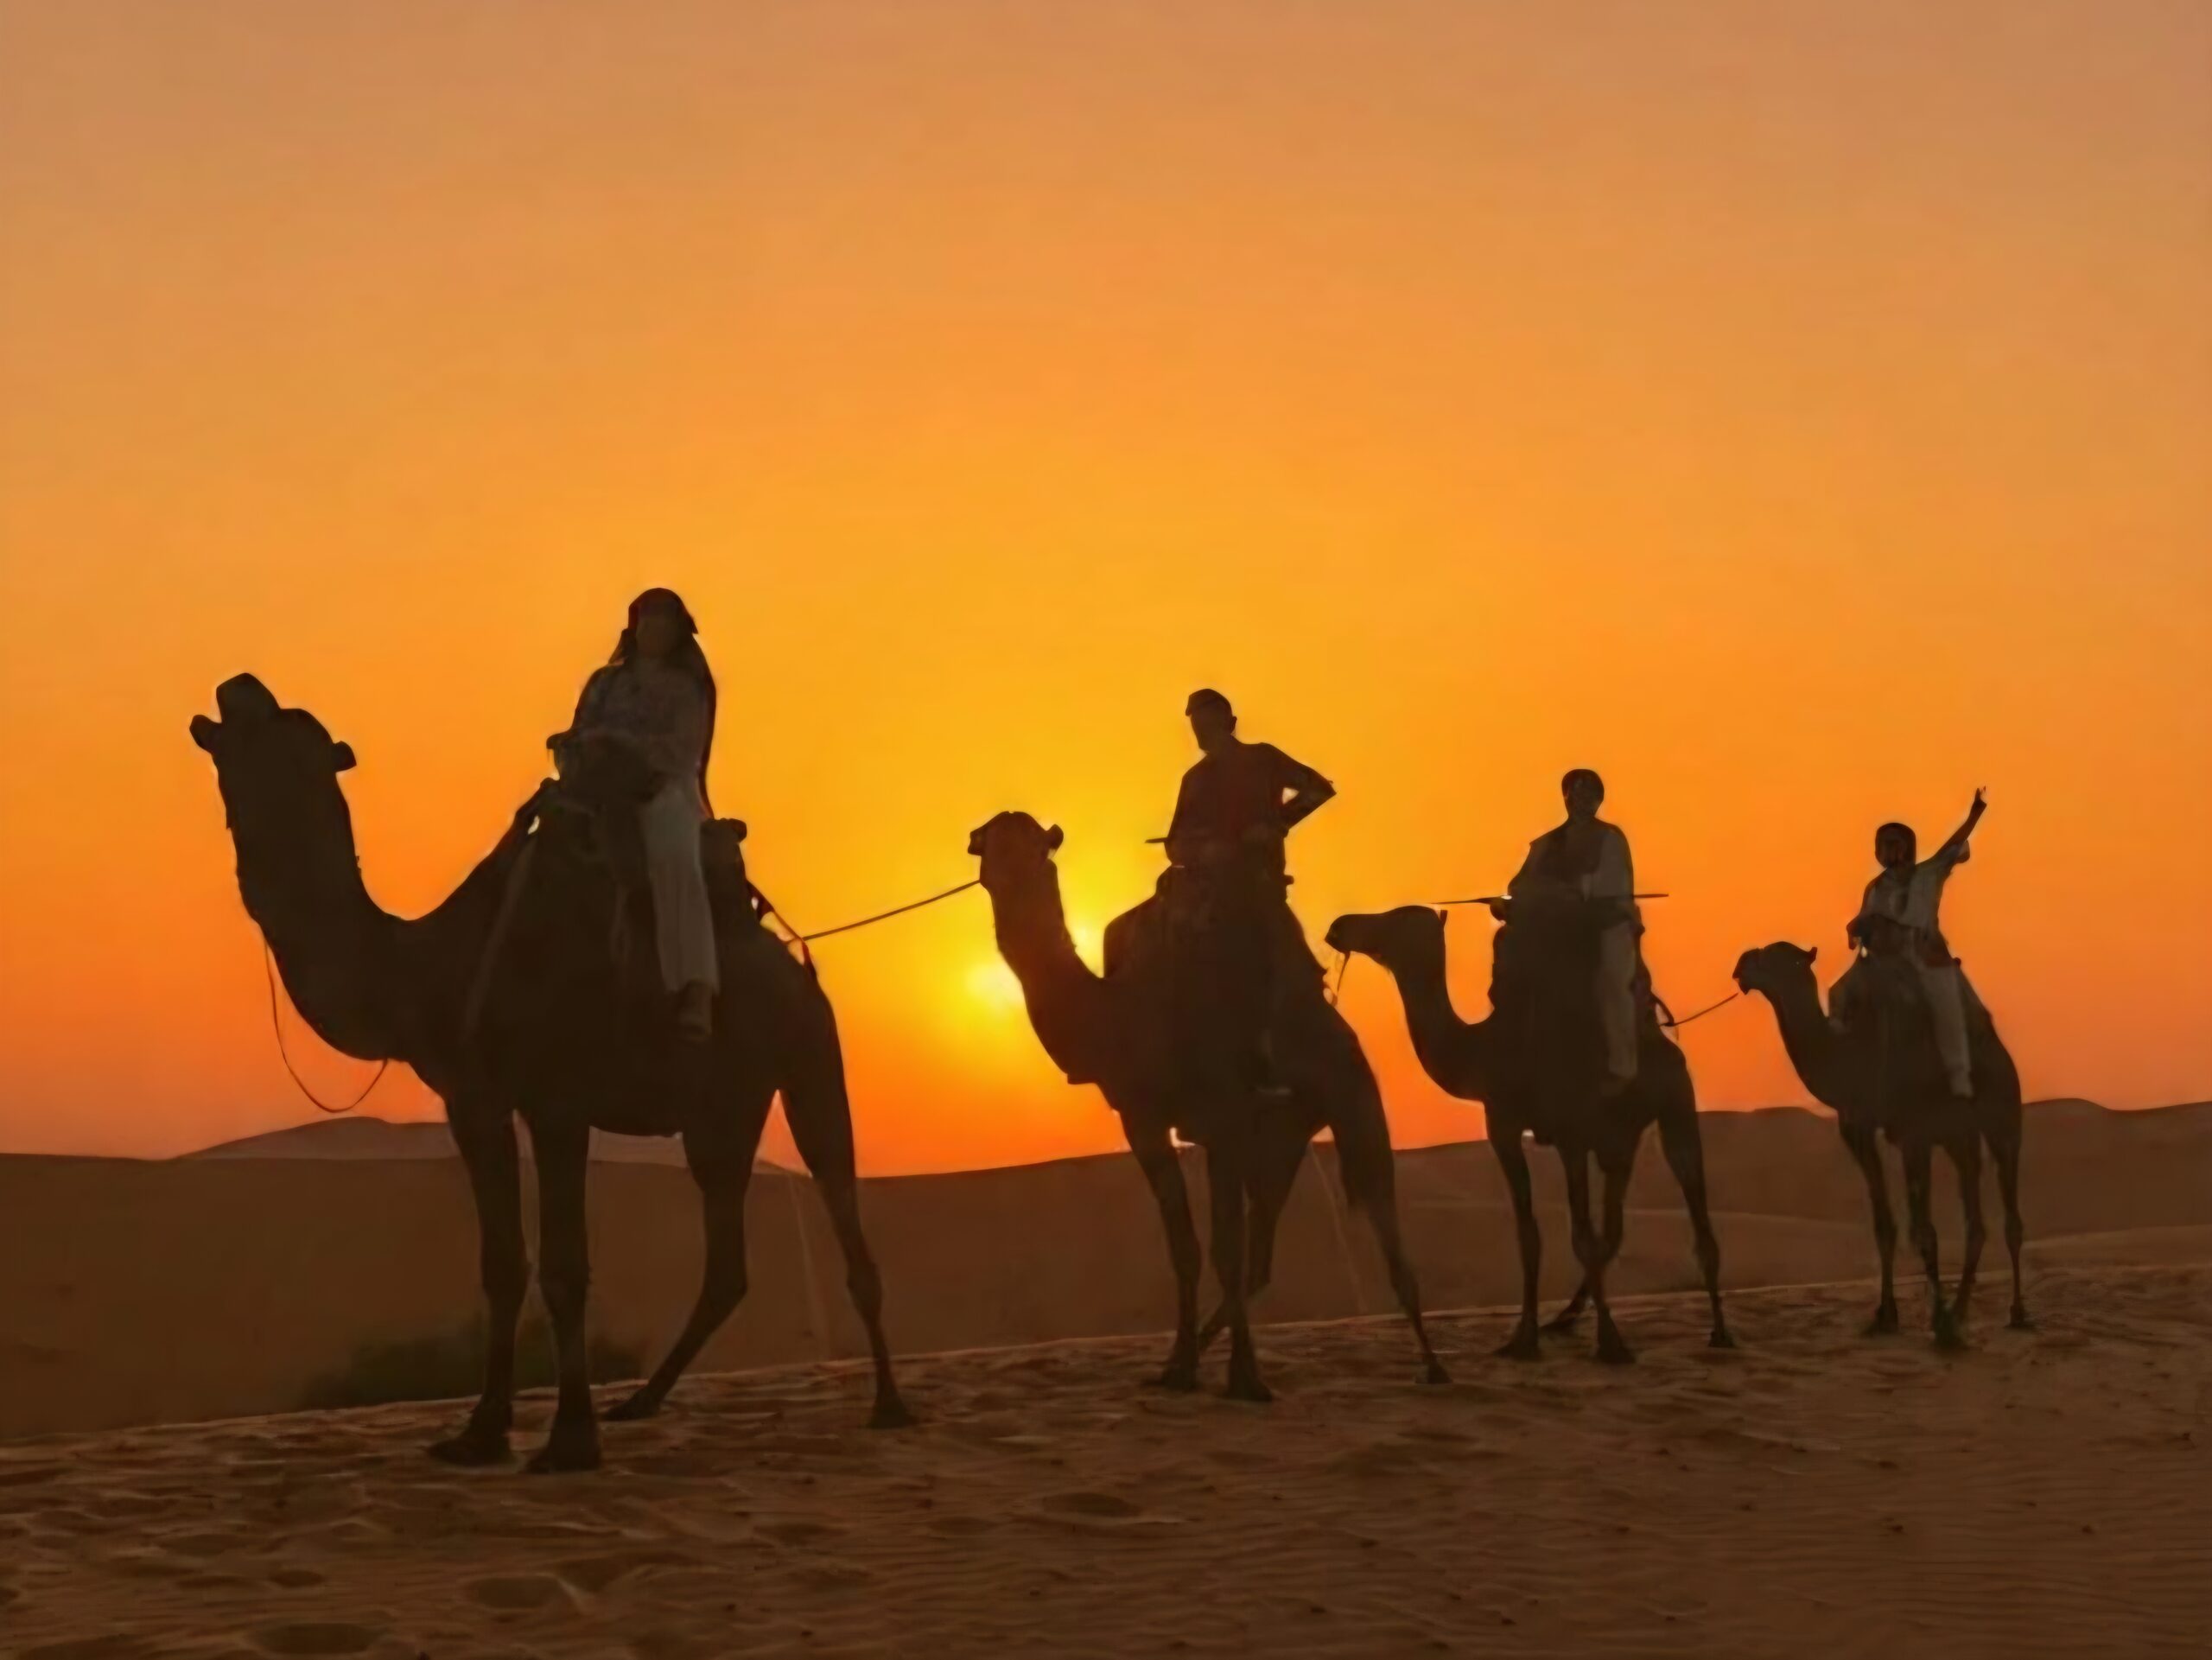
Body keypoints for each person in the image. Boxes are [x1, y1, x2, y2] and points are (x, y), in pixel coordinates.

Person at [552, 588, 721, 1042]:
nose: (655, 630)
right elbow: (579, 731)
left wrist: (623, 748)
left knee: (675, 858)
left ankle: (695, 988)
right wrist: (576, 750)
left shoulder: (686, 690)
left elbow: (682, 751)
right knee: (529, 852)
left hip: (662, 790)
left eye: (664, 623)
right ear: (634, 626)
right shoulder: (603, 683)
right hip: (594, 789)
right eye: (648, 621)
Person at [1160, 690, 1335, 1095]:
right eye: (1195, 728)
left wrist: (1276, 822)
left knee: (1285, 963)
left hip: (1259, 888)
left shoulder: (1264, 760)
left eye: (1206, 725)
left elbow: (1319, 790)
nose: (1201, 735)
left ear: (1228, 723)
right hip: (1212, 894)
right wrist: (1205, 848)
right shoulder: (1196, 780)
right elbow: (1174, 846)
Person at [1498, 768, 1641, 1094]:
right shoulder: (1548, 844)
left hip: (1604, 926)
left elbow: (1611, 889)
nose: (1581, 801)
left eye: (1589, 794)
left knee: (1610, 982)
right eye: (1575, 793)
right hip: (1557, 930)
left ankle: (1621, 1066)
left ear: (1599, 799)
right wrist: (1509, 903)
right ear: (1565, 797)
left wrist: (1572, 896)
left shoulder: (1611, 840)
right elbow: (1520, 885)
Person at [1847, 788, 1987, 1099]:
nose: (1890, 852)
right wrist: (1854, 930)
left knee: (1944, 1003)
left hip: (1926, 956)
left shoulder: (1928, 874)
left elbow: (1951, 847)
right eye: (1884, 846)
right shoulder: (1876, 888)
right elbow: (1863, 919)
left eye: (1895, 846)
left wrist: (1974, 815)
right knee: (1841, 994)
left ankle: (1958, 1076)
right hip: (1885, 958)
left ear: (1907, 848)